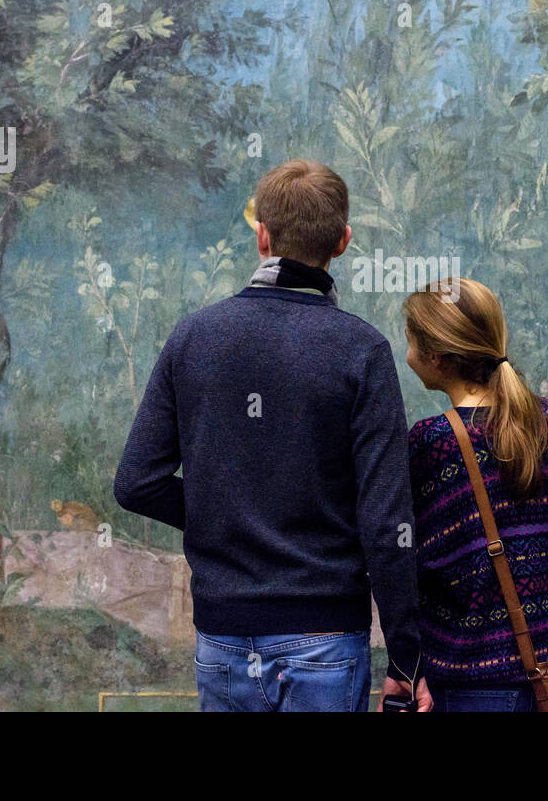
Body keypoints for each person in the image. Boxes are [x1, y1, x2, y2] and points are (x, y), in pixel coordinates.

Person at [114, 159, 430, 712]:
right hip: (324, 637)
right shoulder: (362, 351)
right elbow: (387, 524)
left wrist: (225, 514)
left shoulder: (193, 338)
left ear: (261, 235)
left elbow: (136, 483)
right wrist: (407, 659)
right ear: (343, 241)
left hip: (222, 638)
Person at [398, 277, 548, 712]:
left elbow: (412, 564)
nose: (407, 355)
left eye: (411, 343)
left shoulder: (433, 441)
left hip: (475, 685)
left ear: (435, 356)